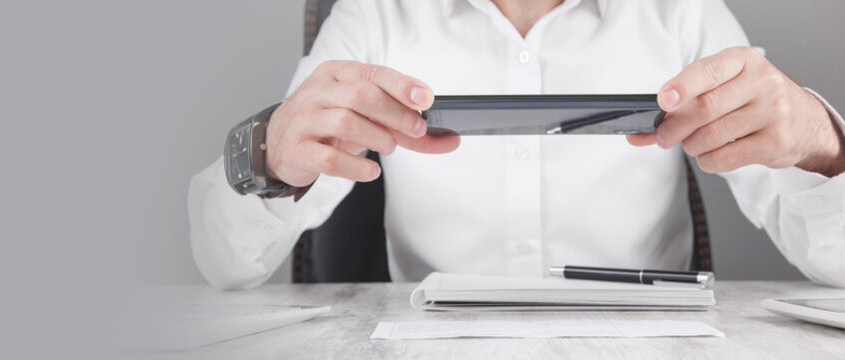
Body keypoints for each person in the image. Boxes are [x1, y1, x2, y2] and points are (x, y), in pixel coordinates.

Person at [188, 0, 845, 290]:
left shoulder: (678, 9)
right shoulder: (375, 11)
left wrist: (824, 145)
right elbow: (226, 263)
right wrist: (267, 153)